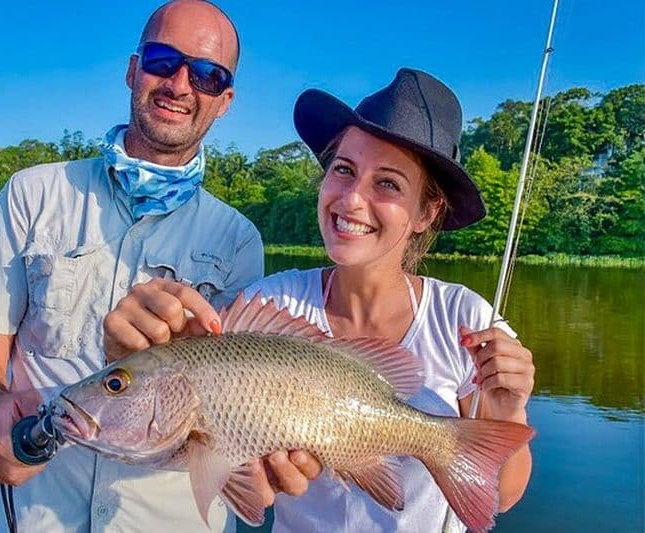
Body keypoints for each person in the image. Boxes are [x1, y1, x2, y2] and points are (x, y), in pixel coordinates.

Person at [0, 2, 317, 531]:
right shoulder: (33, 194)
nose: (179, 85)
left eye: (207, 75)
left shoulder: (238, 240)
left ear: (225, 100)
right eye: (163, 61)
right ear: (133, 69)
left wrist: (261, 466)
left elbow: (237, 405)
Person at [105, 68, 535, 532]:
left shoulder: (466, 319)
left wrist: (507, 409)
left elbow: (500, 496)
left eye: (387, 183)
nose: (352, 200)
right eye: (344, 170)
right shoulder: (272, 301)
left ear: (426, 213)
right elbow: (229, 472)